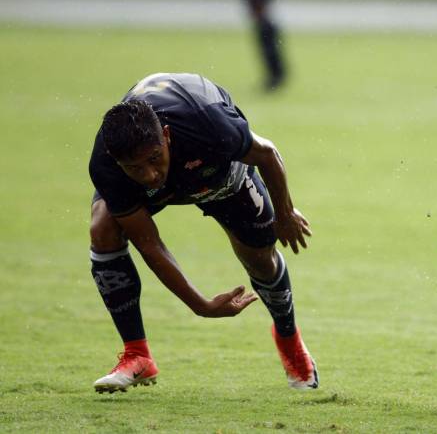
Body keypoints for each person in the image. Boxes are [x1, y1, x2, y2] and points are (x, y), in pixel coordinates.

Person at [89, 72, 318, 393]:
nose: (150, 174)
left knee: (261, 261)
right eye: (135, 168)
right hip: (159, 190)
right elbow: (149, 243)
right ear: (117, 162)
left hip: (223, 179)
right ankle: (137, 356)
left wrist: (284, 213)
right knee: (103, 227)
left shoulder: (207, 124)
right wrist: (201, 305)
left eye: (155, 159)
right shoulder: (107, 163)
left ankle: (288, 337)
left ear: (166, 136)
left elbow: (267, 153)